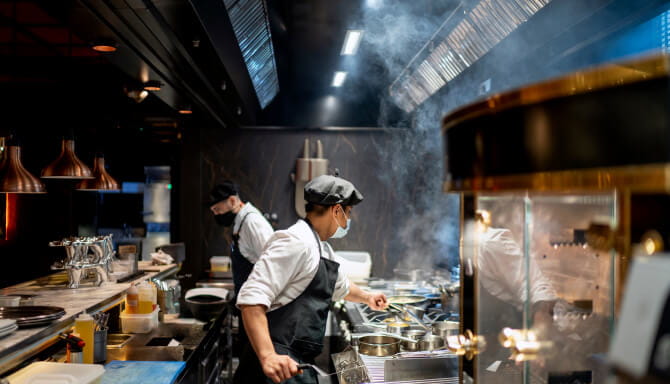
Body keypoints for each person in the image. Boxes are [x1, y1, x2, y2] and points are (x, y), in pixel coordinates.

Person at [234, 175, 388, 384]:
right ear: (336, 211)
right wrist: (268, 356)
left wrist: (368, 297)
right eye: (348, 213)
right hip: (276, 365)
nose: (348, 221)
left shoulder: (320, 246)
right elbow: (251, 300)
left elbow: (340, 286)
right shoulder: (295, 241)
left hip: (296, 361)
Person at [209, 181, 274, 295]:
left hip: (257, 296)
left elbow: (271, 263)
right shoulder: (241, 221)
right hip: (248, 294)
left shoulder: (252, 222)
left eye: (217, 209)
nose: (216, 215)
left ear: (232, 201)